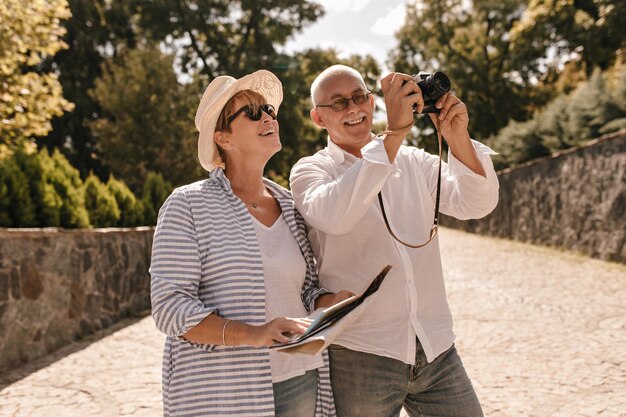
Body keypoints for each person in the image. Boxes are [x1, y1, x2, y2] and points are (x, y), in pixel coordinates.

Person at [289, 64, 500, 417]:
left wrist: (456, 136)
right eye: (338, 103)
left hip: (435, 347)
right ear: (318, 118)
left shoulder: (413, 160)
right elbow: (335, 216)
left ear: (372, 101)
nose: (354, 109)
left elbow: (476, 203)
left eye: (359, 97)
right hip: (362, 352)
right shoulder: (311, 170)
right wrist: (395, 134)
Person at [150, 70, 350, 417]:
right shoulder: (188, 205)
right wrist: (254, 334)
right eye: (252, 112)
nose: (269, 117)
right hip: (223, 392)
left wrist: (332, 301)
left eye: (269, 109)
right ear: (223, 139)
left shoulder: (290, 206)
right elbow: (169, 307)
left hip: (300, 379)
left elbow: (304, 291)